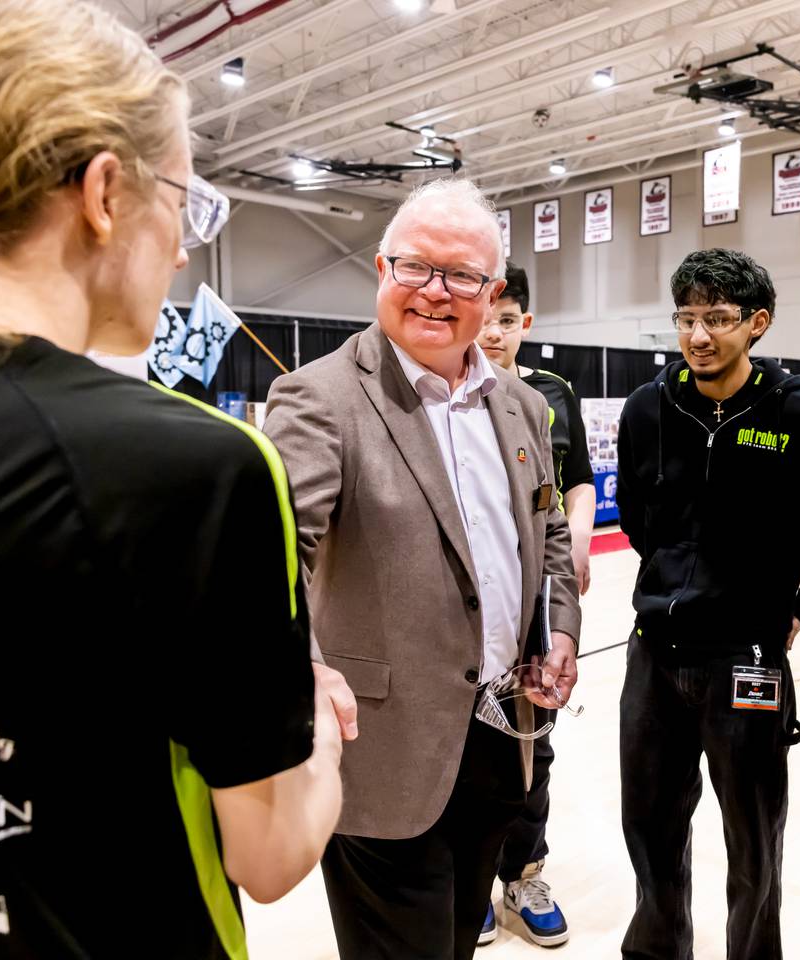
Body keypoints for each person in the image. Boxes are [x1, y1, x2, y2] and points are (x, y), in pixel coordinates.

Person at [0, 1, 342, 956]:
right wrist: (321, 719)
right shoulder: (195, 468)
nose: (184, 249)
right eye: (185, 204)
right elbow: (269, 856)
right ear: (105, 193)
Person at [262, 178, 582, 960]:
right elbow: (273, 562)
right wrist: (298, 669)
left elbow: (549, 534)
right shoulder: (320, 398)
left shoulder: (521, 405)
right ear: (381, 269)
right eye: (416, 268)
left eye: (462, 276)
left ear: (493, 292)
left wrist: (561, 631)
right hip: (385, 752)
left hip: (502, 741)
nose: (435, 292)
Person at [615, 248, 800, 960]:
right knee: (650, 830)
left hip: (745, 658)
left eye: (717, 318)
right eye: (686, 318)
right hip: (654, 653)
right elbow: (634, 519)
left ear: (758, 323)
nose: (698, 336)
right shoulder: (646, 409)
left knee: (754, 844)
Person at [475, 261, 595, 948]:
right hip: (464, 608)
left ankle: (522, 872)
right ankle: (474, 870)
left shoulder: (551, 394)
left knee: (532, 742)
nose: (493, 333)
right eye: (485, 316)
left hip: (535, 600)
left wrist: (573, 537)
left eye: (507, 320)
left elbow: (576, 483)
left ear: (527, 325)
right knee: (466, 742)